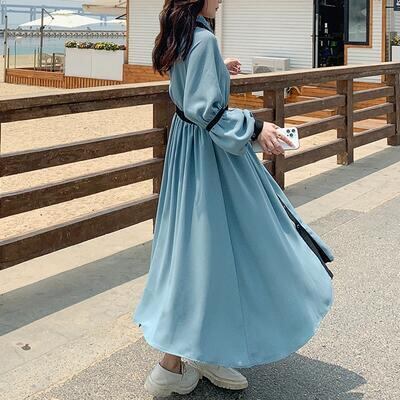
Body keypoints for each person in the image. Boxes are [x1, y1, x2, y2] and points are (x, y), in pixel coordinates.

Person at [132, 0, 335, 397]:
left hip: (188, 153)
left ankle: (206, 348)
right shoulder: (202, 40)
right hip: (210, 157)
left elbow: (186, 92)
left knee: (201, 249)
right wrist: (257, 127)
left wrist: (217, 71)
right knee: (228, 247)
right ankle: (172, 364)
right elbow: (209, 112)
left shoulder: (183, 34)